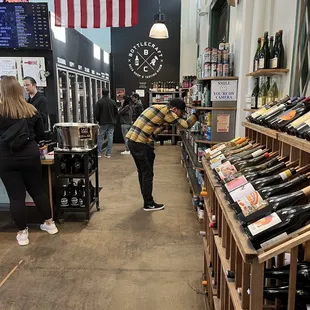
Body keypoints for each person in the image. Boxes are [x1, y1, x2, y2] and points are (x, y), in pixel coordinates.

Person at [0, 76, 58, 246]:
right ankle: (50, 224)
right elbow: (41, 136)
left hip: (6, 158)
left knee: (16, 197)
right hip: (30, 156)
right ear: (19, 90)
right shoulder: (31, 110)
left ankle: (22, 234)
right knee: (38, 191)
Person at [126, 99, 199, 212]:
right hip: (140, 143)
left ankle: (147, 201)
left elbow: (153, 130)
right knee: (147, 174)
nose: (181, 115)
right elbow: (186, 125)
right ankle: (148, 204)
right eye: (181, 112)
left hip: (132, 141)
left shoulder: (158, 107)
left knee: (143, 172)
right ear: (175, 109)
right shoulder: (168, 112)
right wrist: (197, 114)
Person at [94, 88, 118, 158]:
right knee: (110, 137)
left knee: (100, 137)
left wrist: (99, 120)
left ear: (102, 93)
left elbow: (96, 113)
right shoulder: (112, 102)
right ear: (108, 93)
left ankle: (98, 153)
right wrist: (113, 118)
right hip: (112, 122)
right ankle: (108, 154)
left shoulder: (99, 102)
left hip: (103, 122)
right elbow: (116, 112)